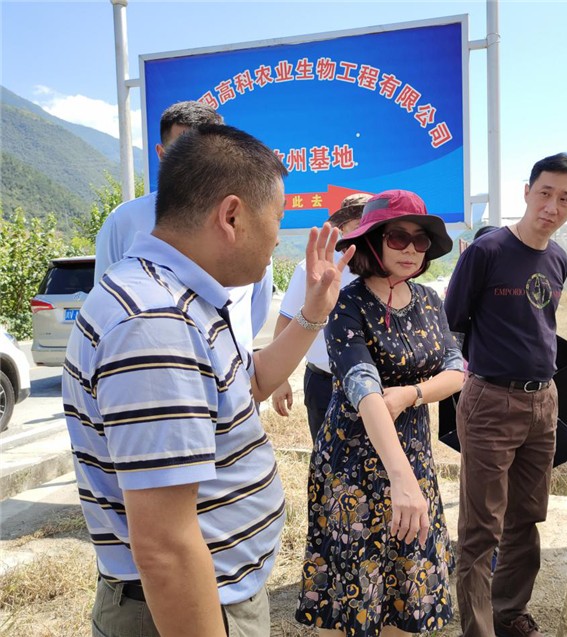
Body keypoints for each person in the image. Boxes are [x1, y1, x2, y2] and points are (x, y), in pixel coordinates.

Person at [63, 123, 354, 637]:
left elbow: (247, 387)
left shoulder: (180, 297)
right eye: (277, 217)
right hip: (192, 606)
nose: (278, 238)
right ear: (232, 215)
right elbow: (166, 546)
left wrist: (312, 314)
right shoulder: (155, 324)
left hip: (214, 593)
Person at [295, 190, 464, 637]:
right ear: (373, 241)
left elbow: (457, 371)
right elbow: (363, 387)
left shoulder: (429, 300)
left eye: (420, 240)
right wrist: (400, 478)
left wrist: (410, 394)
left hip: (413, 458)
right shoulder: (346, 302)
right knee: (349, 589)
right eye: (397, 237)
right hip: (353, 468)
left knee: (407, 583)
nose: (410, 248)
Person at [444, 153, 567, 637]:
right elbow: (453, 321)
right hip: (491, 401)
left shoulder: (558, 258)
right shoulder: (486, 252)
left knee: (526, 516)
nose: (552, 206)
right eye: (545, 193)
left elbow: (542, 324)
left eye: (565, 198)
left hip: (543, 402)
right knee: (481, 526)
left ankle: (509, 613)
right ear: (527, 192)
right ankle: (478, 630)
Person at [94, 100, 274, 348]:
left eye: (204, 153)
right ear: (161, 155)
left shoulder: (247, 217)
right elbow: (107, 301)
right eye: (182, 153)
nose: (194, 165)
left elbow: (257, 305)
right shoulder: (124, 221)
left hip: (232, 365)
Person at [270, 193, 371, 439]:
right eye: (359, 224)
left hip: (375, 385)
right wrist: (279, 379)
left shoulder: (384, 268)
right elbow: (286, 320)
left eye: (372, 224)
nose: (365, 231)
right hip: (325, 383)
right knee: (326, 456)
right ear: (342, 227)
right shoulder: (314, 267)